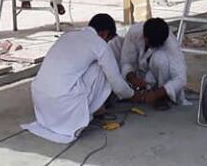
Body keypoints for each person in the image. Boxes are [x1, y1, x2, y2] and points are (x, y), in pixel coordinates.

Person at [22, 13, 134, 143]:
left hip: (42, 104)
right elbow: (117, 83)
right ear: (105, 34)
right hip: (64, 105)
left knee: (87, 67)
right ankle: (92, 109)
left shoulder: (67, 35)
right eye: (108, 40)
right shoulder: (99, 44)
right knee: (102, 68)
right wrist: (133, 94)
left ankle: (89, 107)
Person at [119, 18, 188, 108]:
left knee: (160, 59)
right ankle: (140, 92)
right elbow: (126, 61)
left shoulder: (171, 44)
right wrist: (132, 78)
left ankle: (162, 97)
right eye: (150, 43)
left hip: (160, 80)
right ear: (144, 36)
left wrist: (157, 94)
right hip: (140, 76)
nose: (152, 47)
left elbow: (181, 78)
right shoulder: (134, 32)